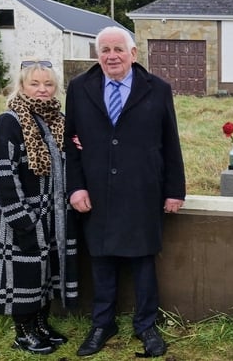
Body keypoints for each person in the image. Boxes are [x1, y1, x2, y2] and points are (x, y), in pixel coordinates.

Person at [64, 26, 186, 357]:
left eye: (119, 49)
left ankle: (146, 326)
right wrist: (75, 188)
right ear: (97, 54)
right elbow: (70, 144)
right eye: (105, 49)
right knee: (101, 260)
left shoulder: (157, 89)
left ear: (133, 54)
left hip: (142, 190)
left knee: (143, 262)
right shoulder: (79, 88)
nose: (111, 55)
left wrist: (175, 190)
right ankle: (103, 323)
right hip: (97, 192)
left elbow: (170, 142)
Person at [0, 60, 78, 355]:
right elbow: (1, 174)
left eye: (48, 84)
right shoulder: (8, 122)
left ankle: (41, 325)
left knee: (44, 274)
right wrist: (22, 218)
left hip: (52, 216)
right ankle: (24, 333)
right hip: (21, 217)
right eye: (34, 84)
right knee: (22, 277)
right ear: (21, 86)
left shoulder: (57, 120)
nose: (42, 90)